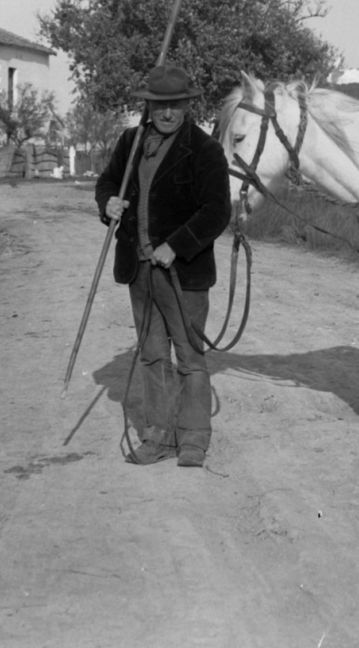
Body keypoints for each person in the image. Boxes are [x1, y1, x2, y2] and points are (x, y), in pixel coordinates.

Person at [95, 63, 232, 468]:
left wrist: (177, 245)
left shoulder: (206, 150)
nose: (167, 113)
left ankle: (193, 439)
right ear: (148, 106)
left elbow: (216, 211)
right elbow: (108, 181)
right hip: (138, 271)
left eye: (175, 105)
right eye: (160, 106)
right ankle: (157, 436)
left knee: (189, 357)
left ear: (188, 105)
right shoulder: (131, 141)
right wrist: (108, 203)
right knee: (153, 355)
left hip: (183, 274)